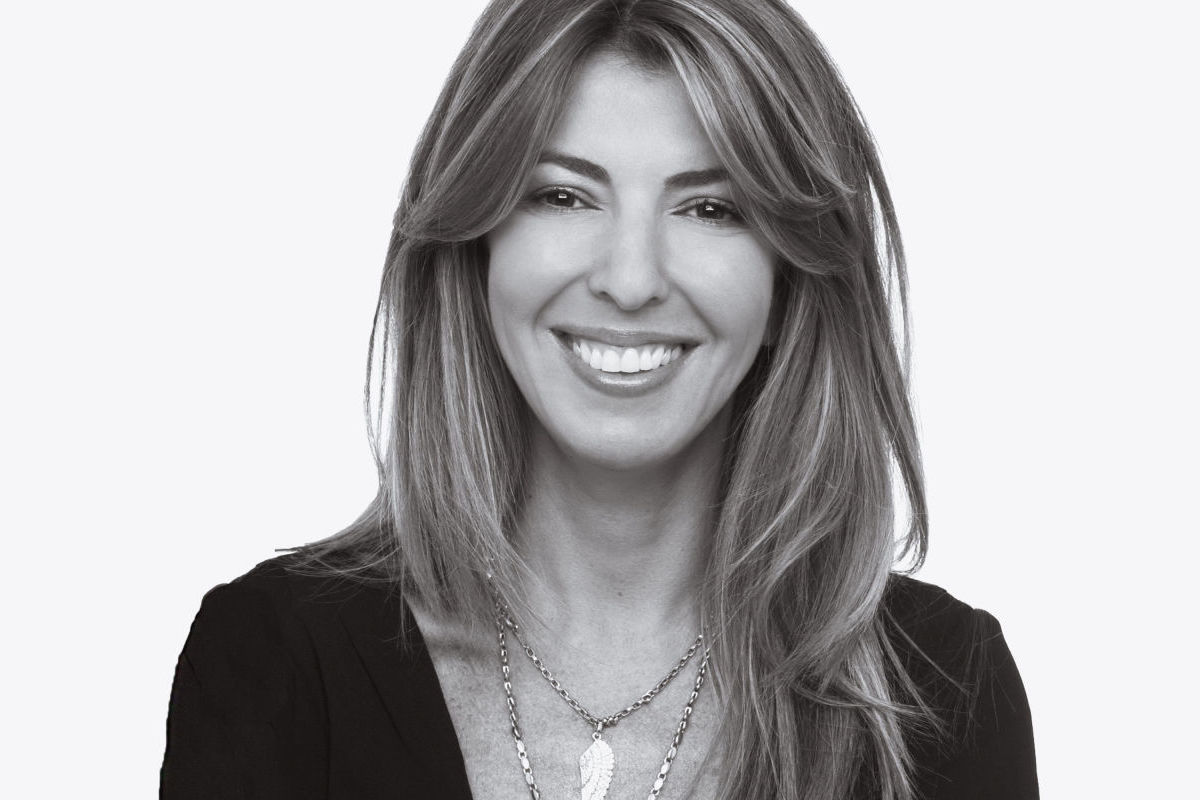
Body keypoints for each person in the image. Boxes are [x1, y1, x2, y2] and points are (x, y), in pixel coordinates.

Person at [160, 1, 1038, 798]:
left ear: (789, 280)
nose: (629, 279)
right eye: (563, 196)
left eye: (711, 209)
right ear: (475, 249)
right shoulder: (273, 660)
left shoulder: (944, 694)